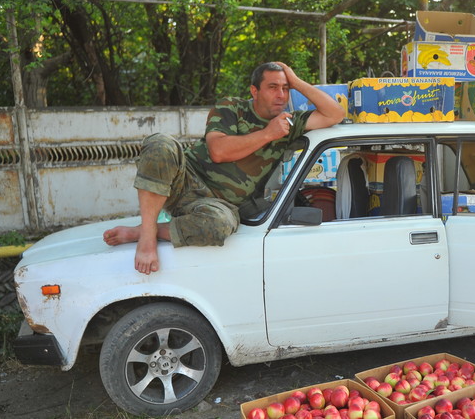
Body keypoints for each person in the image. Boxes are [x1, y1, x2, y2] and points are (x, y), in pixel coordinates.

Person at [103, 62, 344, 274]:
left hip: (219, 205)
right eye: (273, 87)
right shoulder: (232, 108)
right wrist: (267, 133)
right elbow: (219, 152)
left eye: (285, 88)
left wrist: (295, 80)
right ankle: (147, 238)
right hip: (185, 178)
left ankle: (143, 231)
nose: (281, 94)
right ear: (254, 91)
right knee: (160, 143)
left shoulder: (289, 123)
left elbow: (335, 114)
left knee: (220, 226)